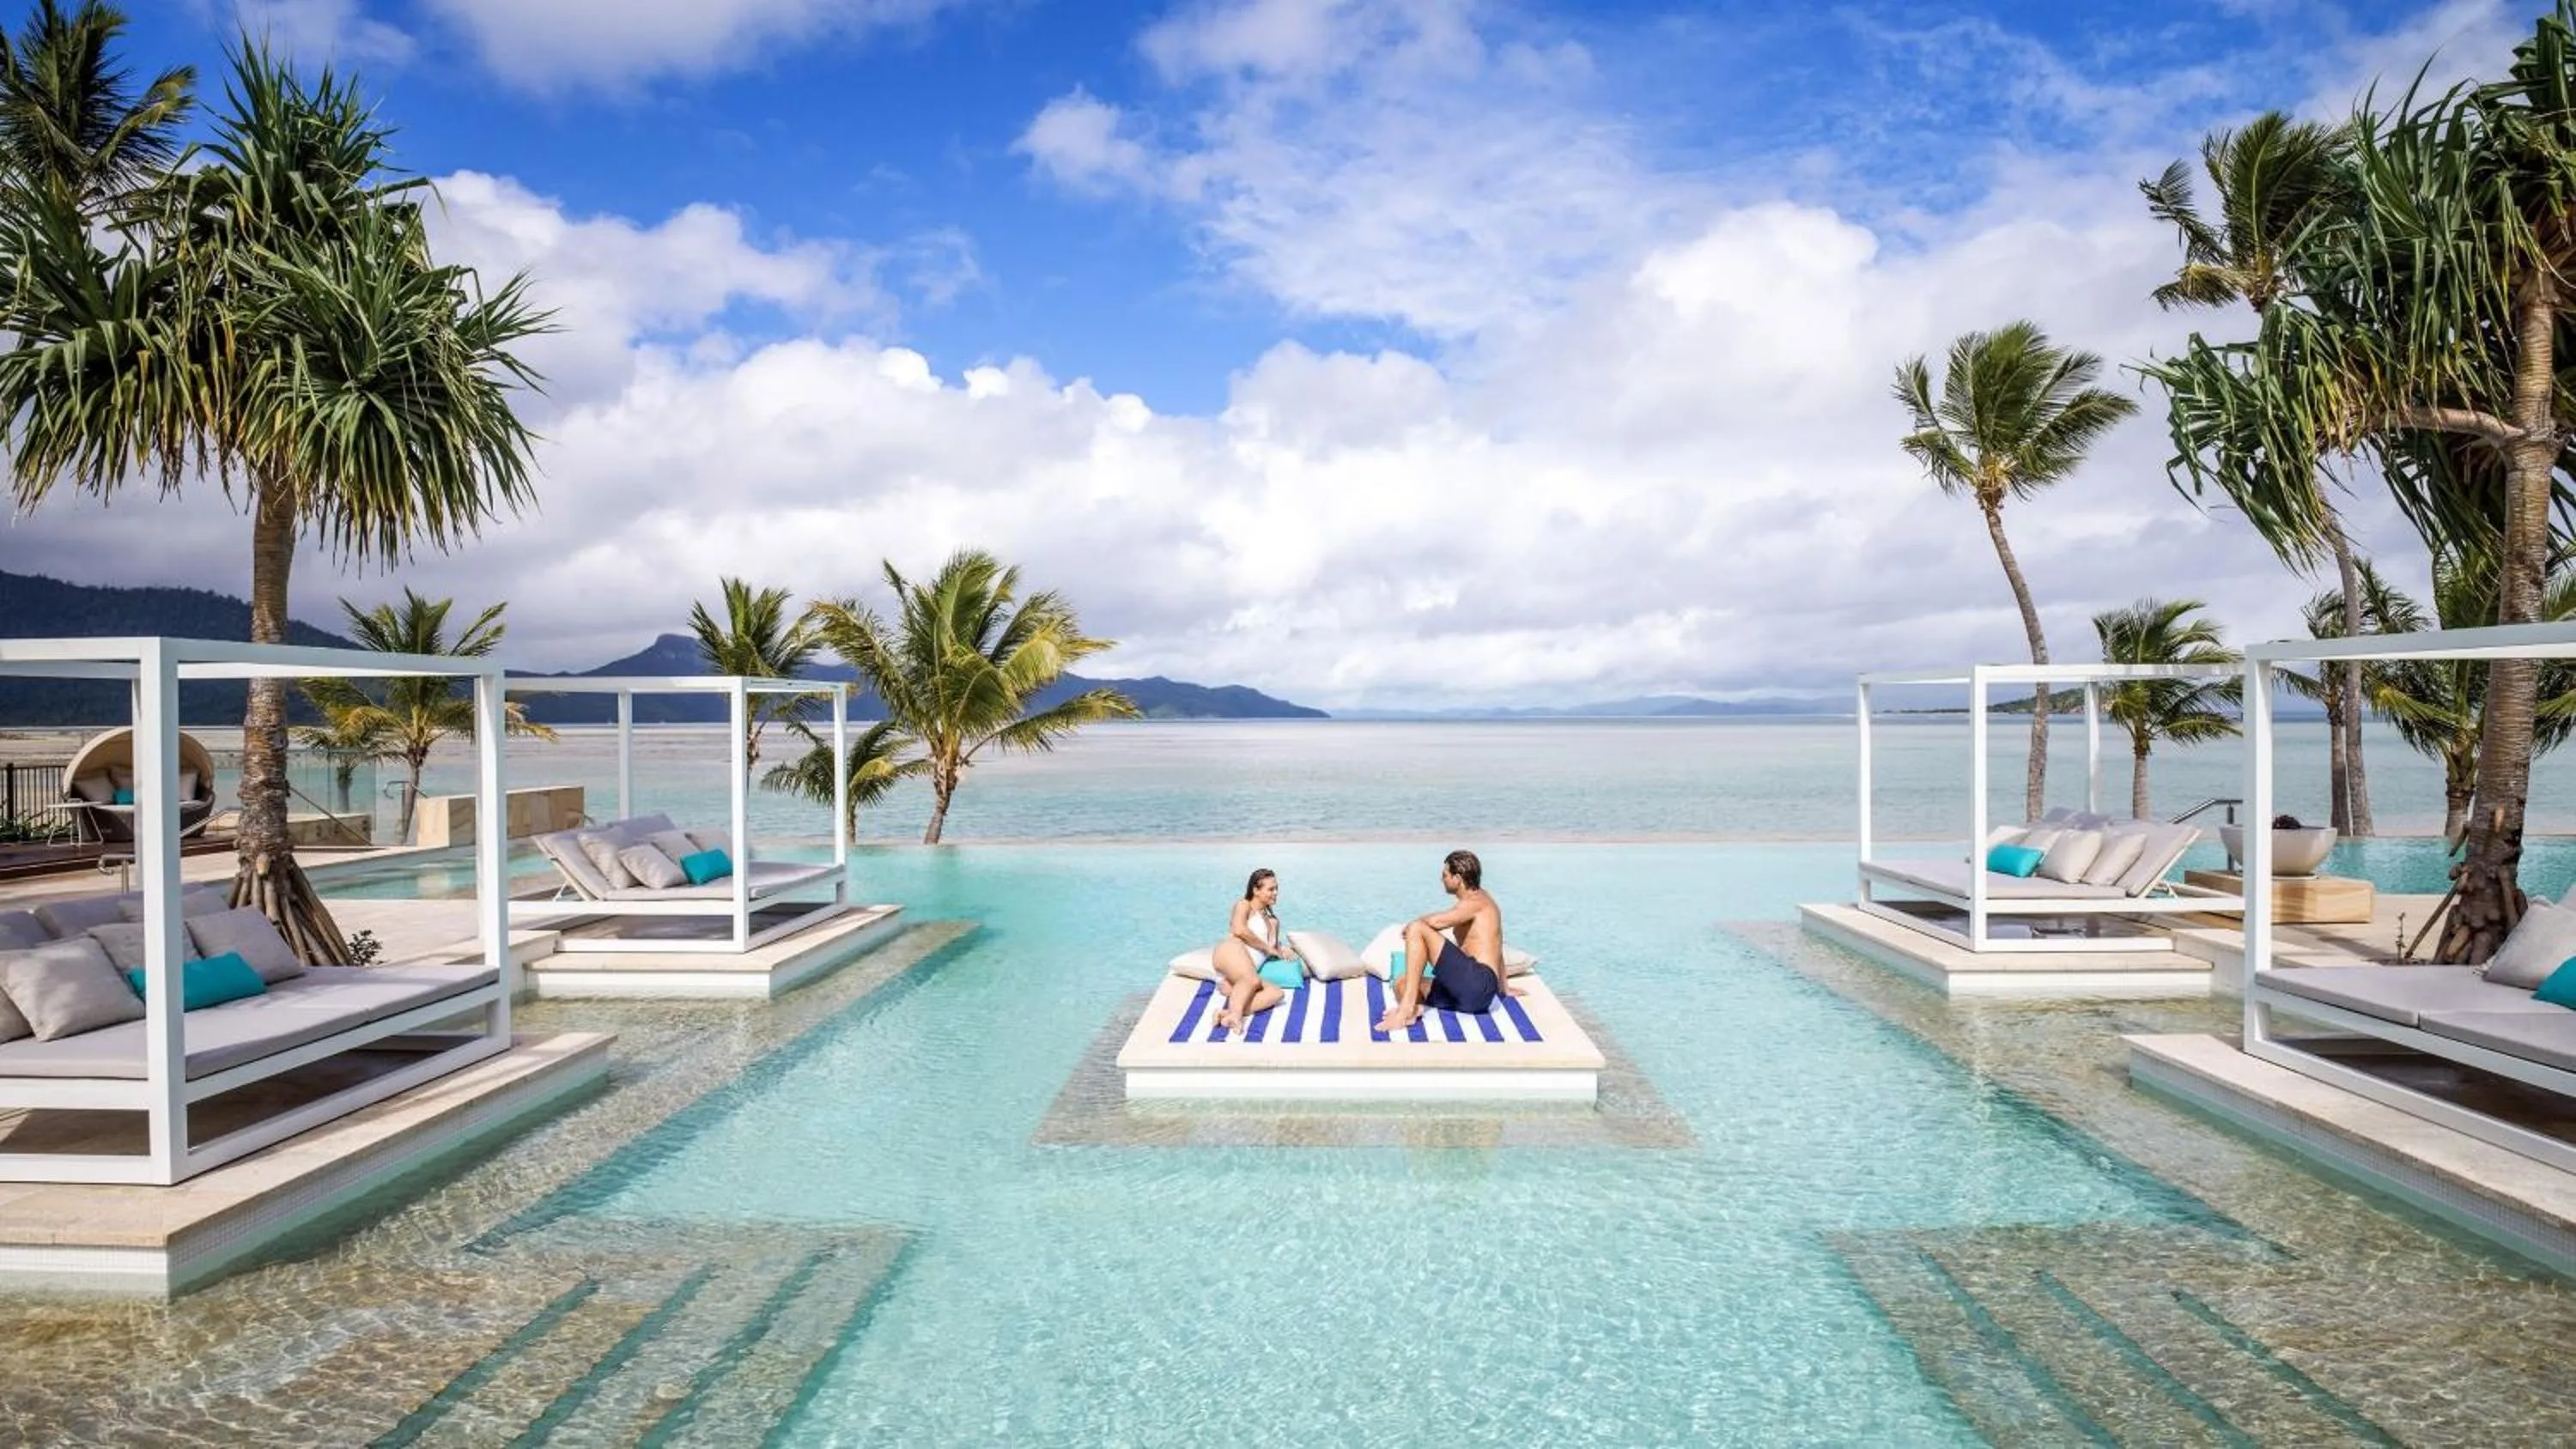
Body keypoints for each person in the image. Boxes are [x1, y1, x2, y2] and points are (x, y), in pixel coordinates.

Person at [1378, 849, 1518, 1033]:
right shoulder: (1480, 900)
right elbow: (1496, 943)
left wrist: (1412, 926)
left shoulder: (1477, 902)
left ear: (1458, 878)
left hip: (1477, 983)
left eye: (1445, 875)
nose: (1441, 879)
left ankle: (1405, 1011)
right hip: (1468, 995)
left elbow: (1436, 922)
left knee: (1418, 928)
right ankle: (1415, 1007)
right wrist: (1504, 988)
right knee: (1402, 983)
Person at [1212, 867, 1302, 1032]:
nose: (1275, 893)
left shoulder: (1273, 921)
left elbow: (1272, 950)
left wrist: (1282, 950)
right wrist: (1268, 948)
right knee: (1252, 980)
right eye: (1271, 889)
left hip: (1245, 972)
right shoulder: (1244, 905)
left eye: (1276, 889)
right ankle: (1236, 1018)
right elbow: (1238, 930)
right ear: (1256, 890)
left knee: (1276, 994)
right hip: (1231, 951)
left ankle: (1227, 1014)